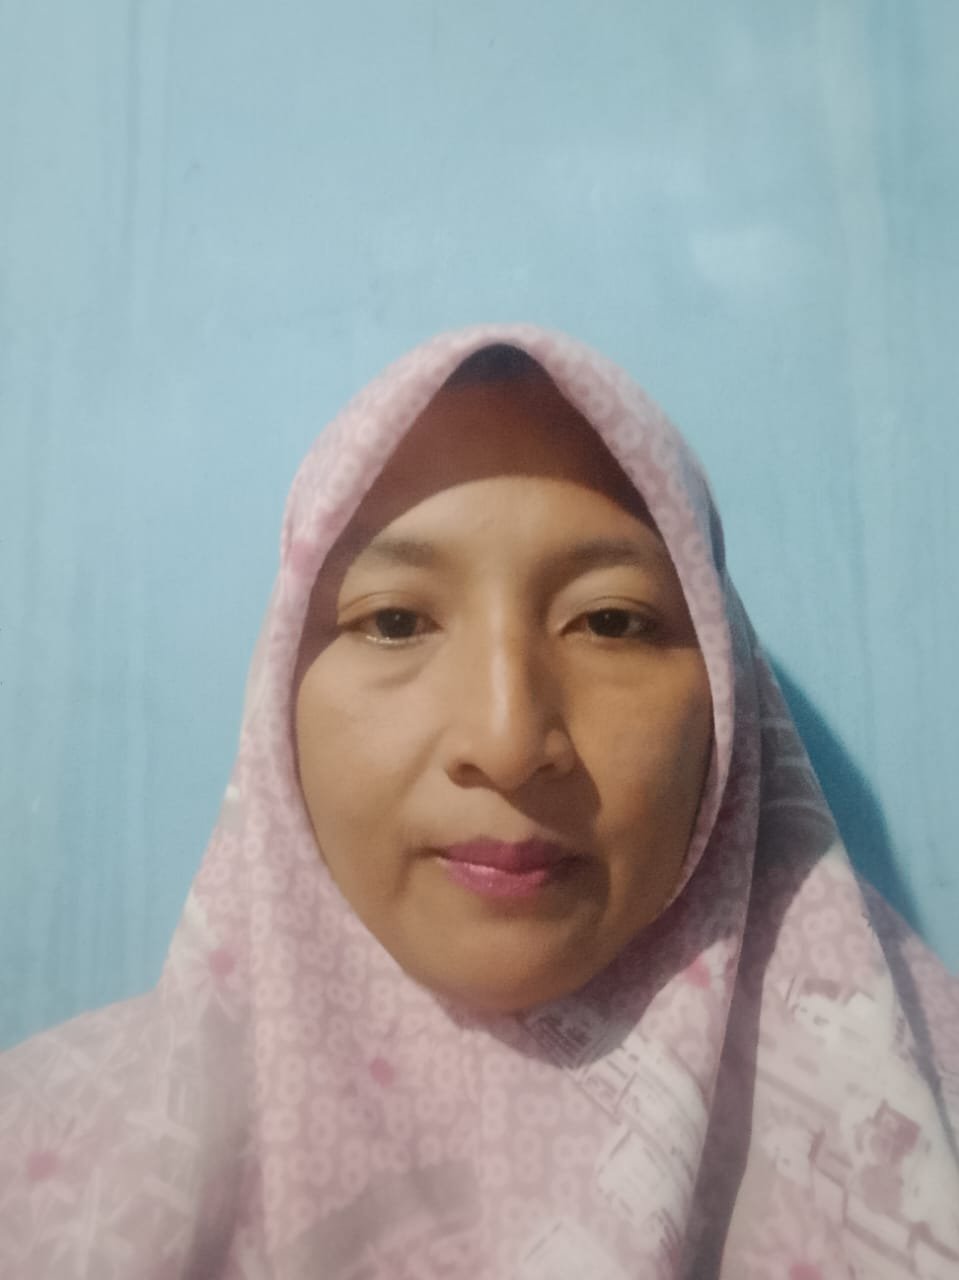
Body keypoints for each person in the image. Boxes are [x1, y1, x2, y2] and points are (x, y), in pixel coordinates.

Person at [1, 325, 957, 1278]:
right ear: (277, 698)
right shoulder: (39, 1164)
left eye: (609, 621)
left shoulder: (927, 1126)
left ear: (728, 704)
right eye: (394, 621)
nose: (506, 741)